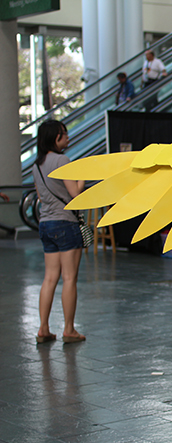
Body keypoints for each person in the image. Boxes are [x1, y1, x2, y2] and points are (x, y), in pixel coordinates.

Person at [31, 120, 86, 344]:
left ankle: (43, 328)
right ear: (56, 138)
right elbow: (75, 193)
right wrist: (82, 175)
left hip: (46, 224)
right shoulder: (62, 160)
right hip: (65, 223)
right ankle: (69, 329)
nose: (68, 138)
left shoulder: (37, 165)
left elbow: (42, 196)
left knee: (50, 278)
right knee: (70, 278)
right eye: (65, 134)